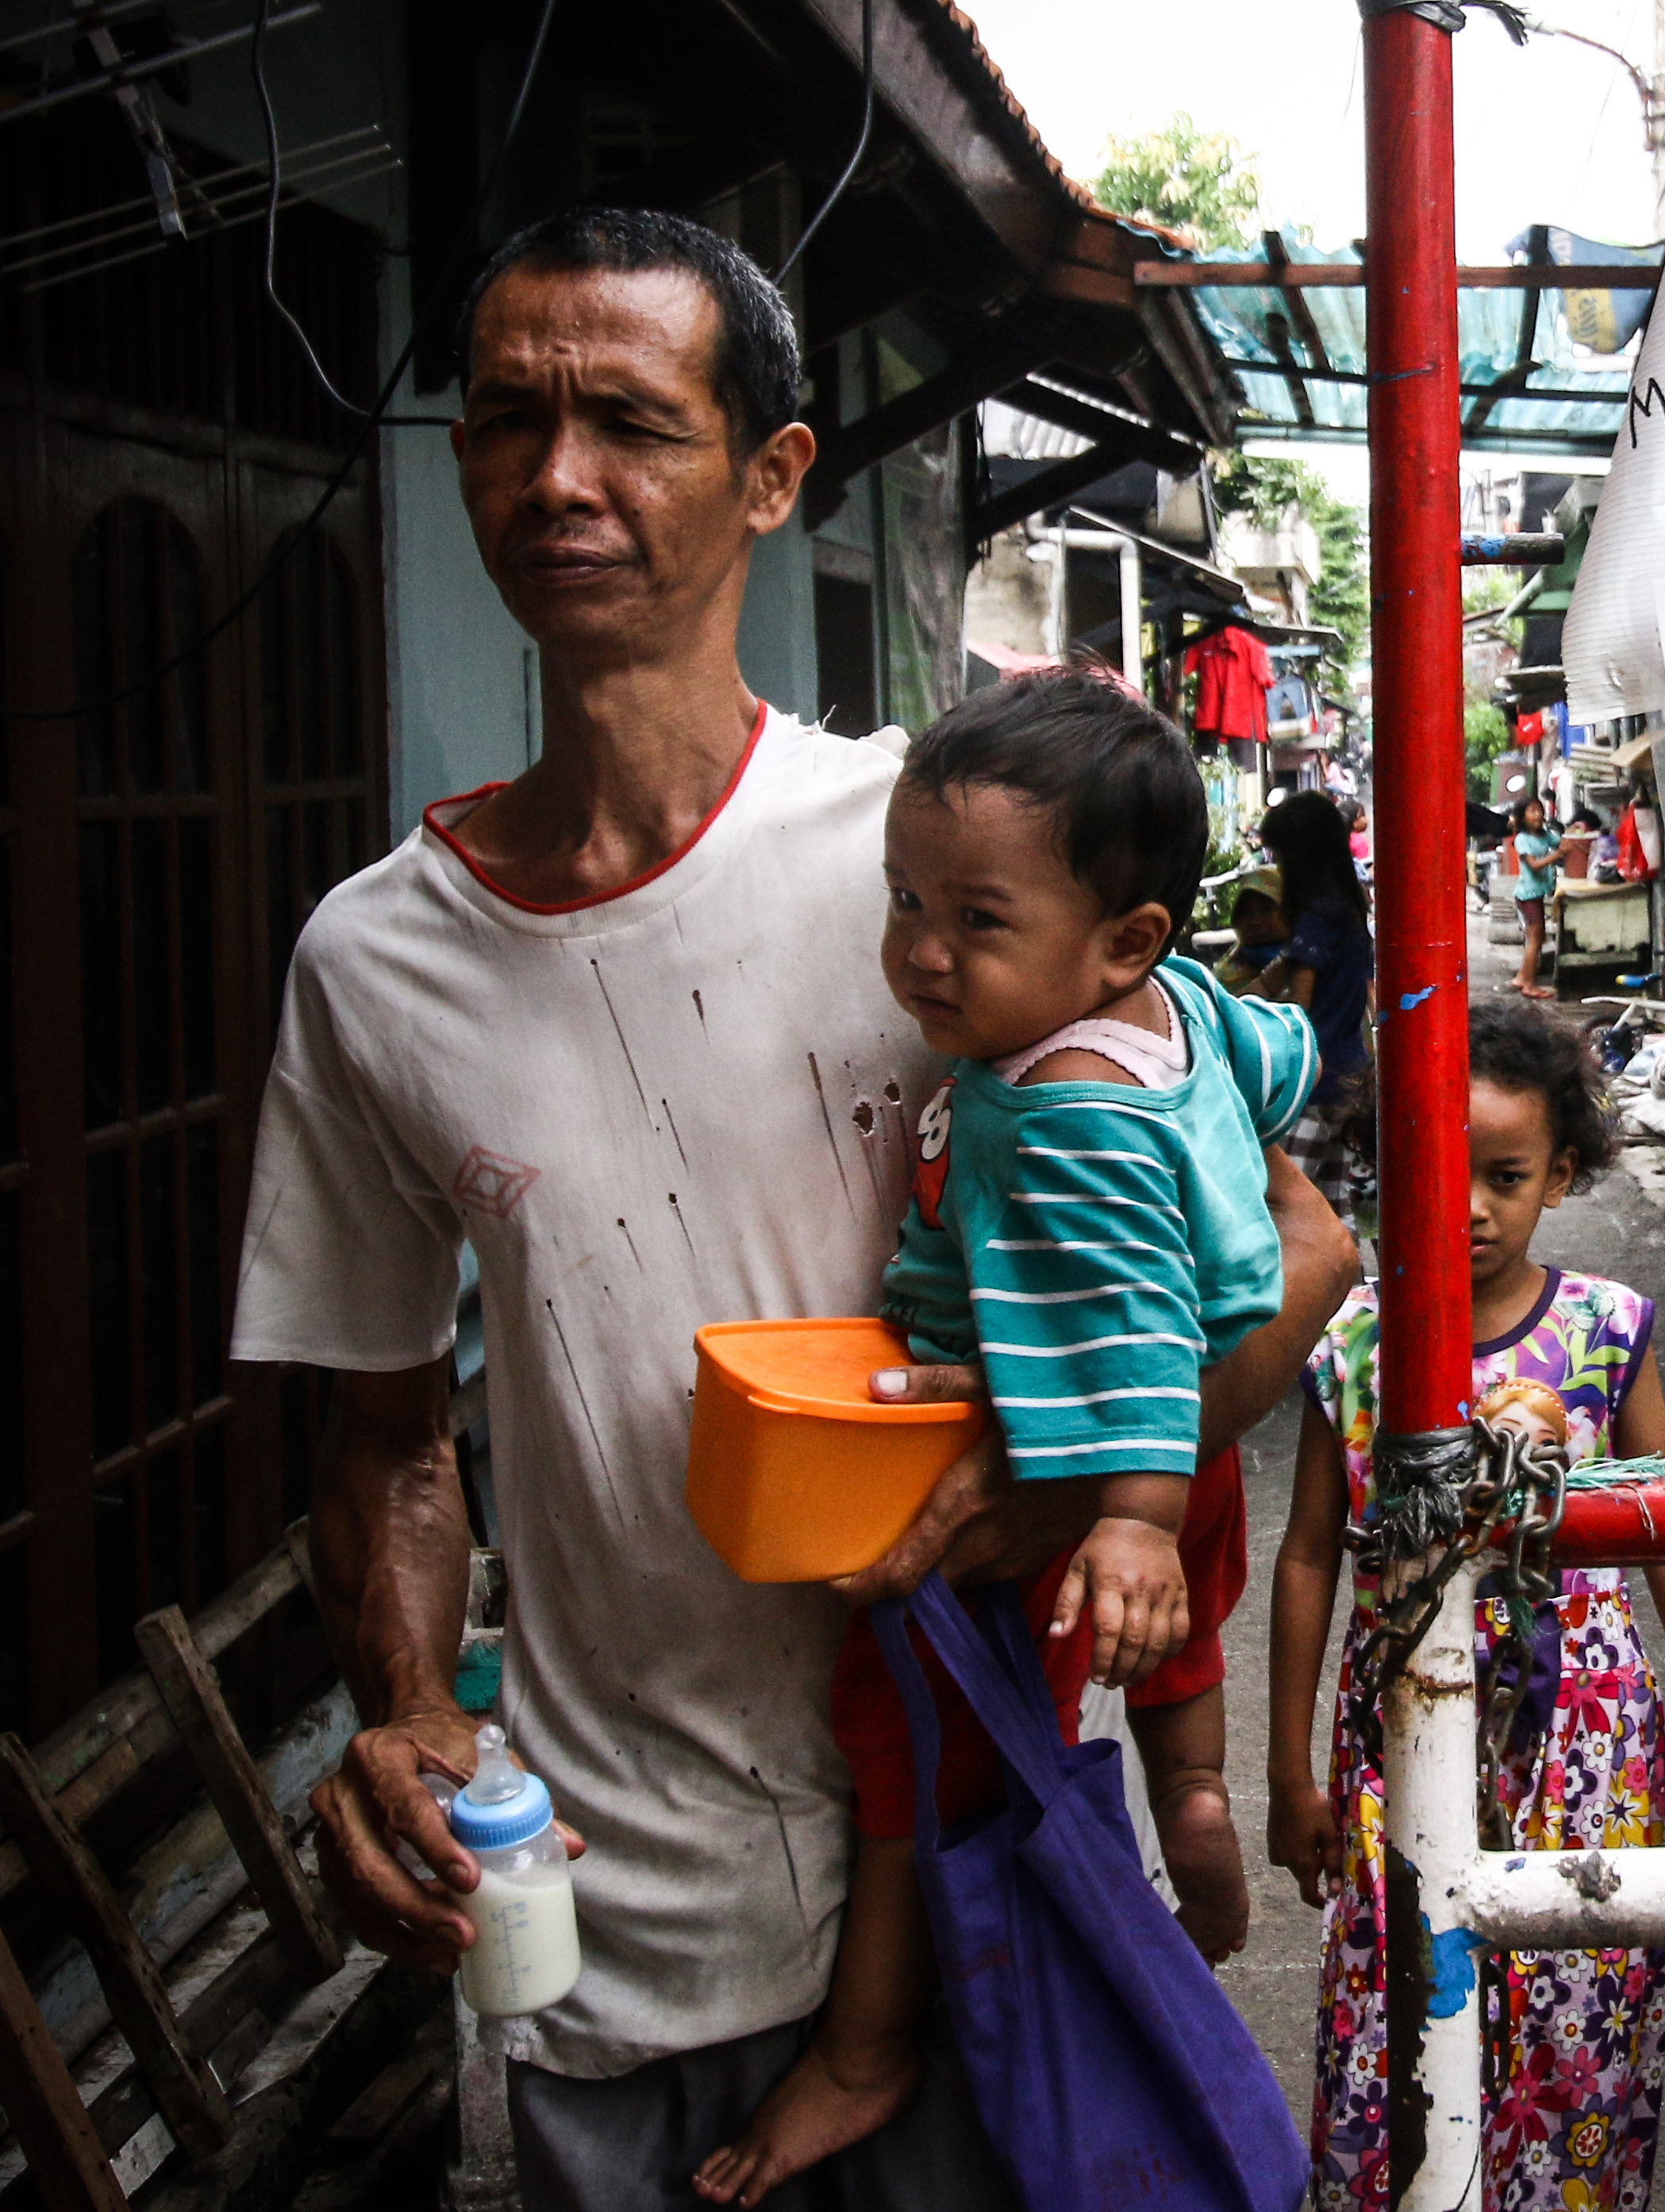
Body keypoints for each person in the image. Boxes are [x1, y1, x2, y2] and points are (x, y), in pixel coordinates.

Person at [232, 206, 1354, 2212]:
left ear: (771, 477)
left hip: (957, 1861)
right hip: (605, 1918)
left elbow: (1297, 1256)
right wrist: (408, 1709)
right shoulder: (373, 962)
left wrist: (1070, 1499)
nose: (558, 476)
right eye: (505, 419)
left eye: (630, 424)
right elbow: (386, 1441)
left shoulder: (939, 858)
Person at [693, 668, 1310, 2202]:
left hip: (1115, 1443)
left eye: (977, 919)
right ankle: (1192, 1795)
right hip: (1201, 1421)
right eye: (907, 899)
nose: (920, 951)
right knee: (1164, 1657)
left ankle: (866, 2044)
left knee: (902, 1733)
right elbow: (1283, 1063)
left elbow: (1116, 1324)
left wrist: (1125, 1518)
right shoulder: (1185, 1014)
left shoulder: (1064, 1116)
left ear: (1124, 941)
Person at [1267, 995, 1665, 2212]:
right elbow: (1311, 1554)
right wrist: (1285, 1772)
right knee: (1394, 1998)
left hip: (1583, 1740)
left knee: (1576, 2010)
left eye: (1507, 1174)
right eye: (1440, 1172)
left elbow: (1664, 1535)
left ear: (1562, 1173)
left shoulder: (1603, 1333)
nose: (1470, 1206)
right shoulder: (1355, 1343)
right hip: (1391, 1734)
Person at [1250, 790, 1375, 1210]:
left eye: (1282, 855)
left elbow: (1296, 1011)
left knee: (1280, 1204)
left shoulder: (1317, 917)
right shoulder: (1348, 910)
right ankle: (1348, 1275)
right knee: (1336, 1202)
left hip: (1313, 1082)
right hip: (1348, 1073)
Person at [1503, 796, 1559, 998]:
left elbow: (1561, 841)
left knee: (1537, 939)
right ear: (1522, 817)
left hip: (1536, 895)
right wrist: (1558, 854)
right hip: (1527, 896)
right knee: (1535, 941)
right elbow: (1534, 866)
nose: (1538, 815)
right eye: (1532, 811)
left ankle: (1521, 977)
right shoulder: (1522, 839)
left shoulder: (1544, 836)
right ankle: (1529, 985)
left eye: (1540, 810)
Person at [1214, 869, 1291, 991]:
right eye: (1246, 913)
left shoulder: (1310, 961)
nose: (1255, 922)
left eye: (1266, 910)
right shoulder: (1221, 983)